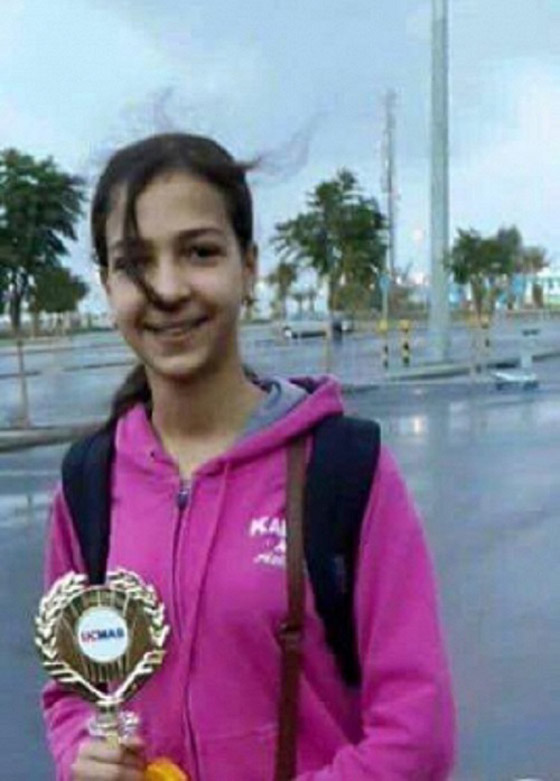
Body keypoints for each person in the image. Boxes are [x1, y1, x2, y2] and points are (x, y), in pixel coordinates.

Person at [42, 132, 455, 780]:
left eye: (200, 252)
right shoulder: (88, 483)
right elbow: (70, 690)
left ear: (250, 267)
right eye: (135, 262)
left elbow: (417, 732)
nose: (167, 287)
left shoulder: (344, 469)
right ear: (107, 284)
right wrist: (81, 757)